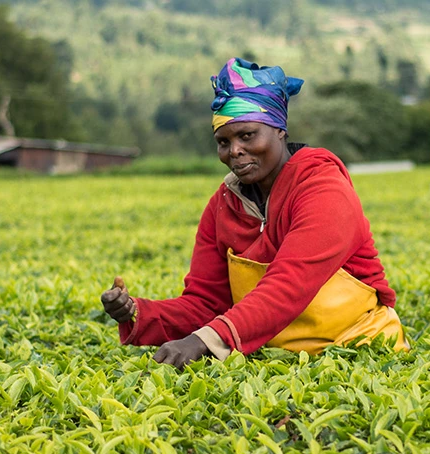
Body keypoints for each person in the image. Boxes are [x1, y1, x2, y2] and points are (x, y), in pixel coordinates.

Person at [100, 58, 409, 368]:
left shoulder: (325, 189)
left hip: (359, 353)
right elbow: (206, 303)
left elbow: (288, 286)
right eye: (223, 142)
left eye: (247, 136)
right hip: (275, 360)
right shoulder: (223, 205)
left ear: (279, 130)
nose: (234, 150)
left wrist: (203, 340)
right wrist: (139, 312)